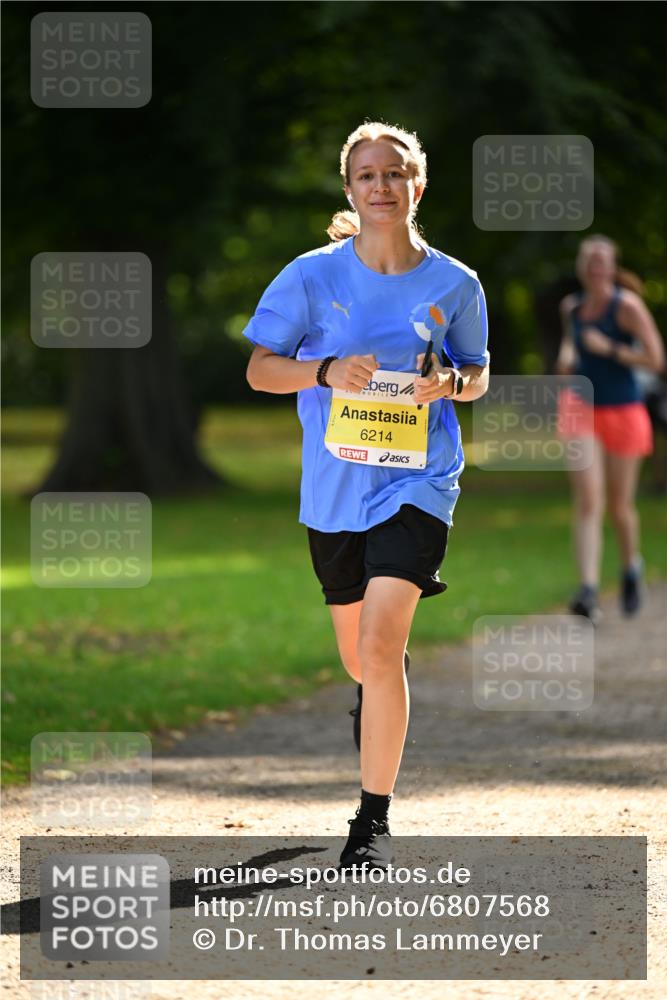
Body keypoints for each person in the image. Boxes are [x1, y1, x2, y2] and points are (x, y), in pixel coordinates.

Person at [243, 121, 490, 869]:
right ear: (349, 189)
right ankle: (376, 689)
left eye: (393, 173)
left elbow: (477, 371)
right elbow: (259, 370)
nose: (380, 186)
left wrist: (449, 383)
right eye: (365, 175)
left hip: (419, 479)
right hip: (335, 489)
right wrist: (322, 372)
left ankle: (370, 823)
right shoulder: (311, 276)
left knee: (383, 645)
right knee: (363, 661)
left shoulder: (455, 283)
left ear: (417, 185)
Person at [556, 235, 665, 623]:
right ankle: (588, 589)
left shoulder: (627, 307)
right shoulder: (572, 308)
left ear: (612, 266)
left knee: (620, 507)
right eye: (588, 260)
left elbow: (656, 359)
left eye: (602, 259)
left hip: (624, 411)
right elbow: (571, 346)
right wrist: (568, 356)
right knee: (589, 500)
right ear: (582, 267)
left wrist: (610, 349)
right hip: (580, 406)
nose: (594, 266)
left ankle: (631, 566)